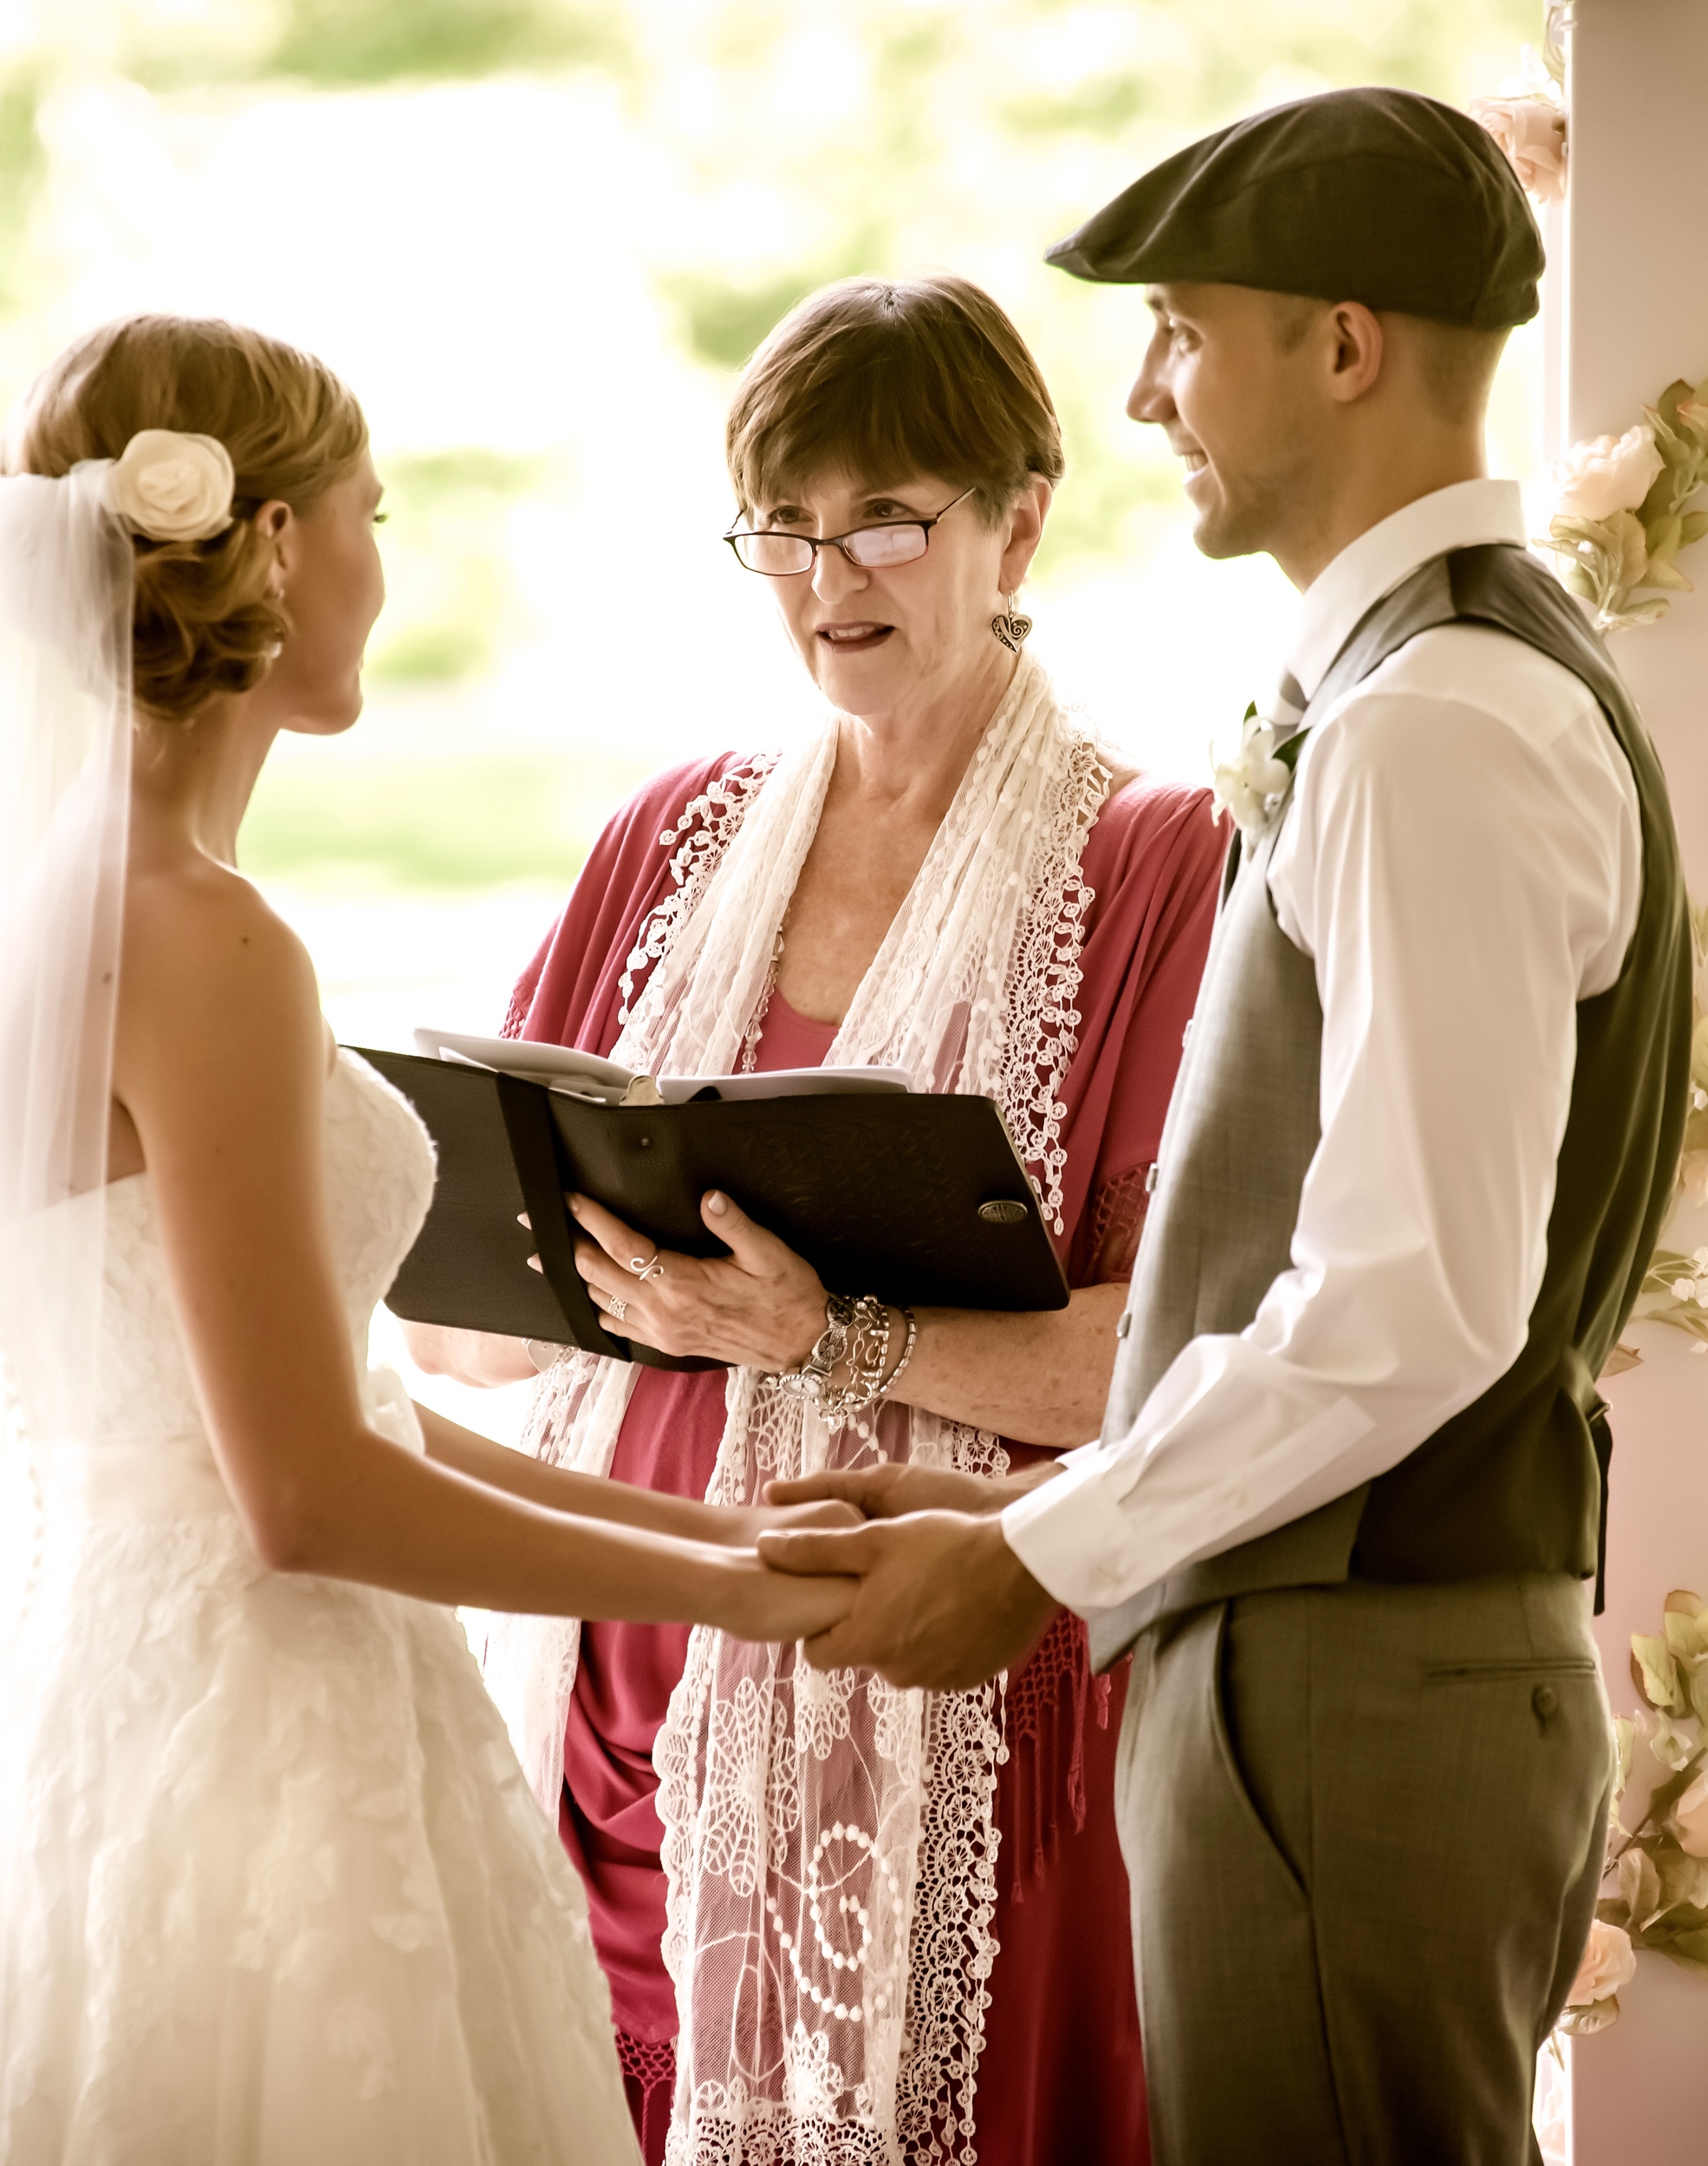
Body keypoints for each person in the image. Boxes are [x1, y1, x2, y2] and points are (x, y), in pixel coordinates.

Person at [0, 315, 862, 2163]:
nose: (378, 566)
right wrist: (727, 1595)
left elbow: (317, 1421)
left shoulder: (65, 902)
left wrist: (720, 1521)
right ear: (264, 550)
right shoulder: (202, 939)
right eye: (369, 511)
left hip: (127, 1689)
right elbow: (305, 1494)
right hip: (263, 1746)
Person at [762, 89, 1693, 2166]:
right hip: (1341, 1668)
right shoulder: (1419, 686)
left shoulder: (1431, 724)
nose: (1143, 387)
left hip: (1352, 1699)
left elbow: (1405, 1306)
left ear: (1340, 346)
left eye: (1182, 327)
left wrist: (1028, 1544)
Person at [409, 276, 1227, 2164]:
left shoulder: (1162, 865)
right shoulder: (665, 835)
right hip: (619, 1692)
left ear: (1022, 520)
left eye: (883, 518)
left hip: (946, 1692)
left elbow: (1162, 1356)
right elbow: (442, 1308)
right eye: (779, 523)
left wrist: (819, 1336)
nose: (821, 573)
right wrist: (590, 1278)